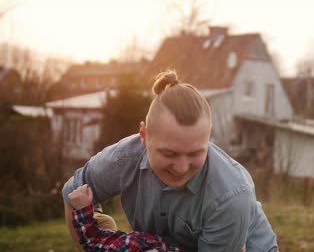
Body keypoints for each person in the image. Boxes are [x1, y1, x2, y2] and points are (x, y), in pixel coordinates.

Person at [62, 70, 278, 252]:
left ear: (208, 138)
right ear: (144, 136)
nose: (182, 168)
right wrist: (98, 238)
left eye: (195, 153)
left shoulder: (231, 196)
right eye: (170, 154)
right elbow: (72, 193)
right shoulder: (124, 159)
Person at [68, 184, 181, 252]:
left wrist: (83, 208)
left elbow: (93, 239)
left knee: (104, 221)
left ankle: (95, 210)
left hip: (107, 237)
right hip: (142, 239)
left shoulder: (120, 249)